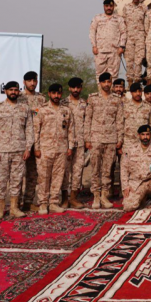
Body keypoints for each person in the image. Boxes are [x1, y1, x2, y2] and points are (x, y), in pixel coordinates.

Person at [0, 81, 35, 219]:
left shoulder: (25, 108)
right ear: (5, 91)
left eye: (15, 90)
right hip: (1, 151)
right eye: (10, 90)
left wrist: (28, 148)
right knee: (1, 181)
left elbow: (29, 129)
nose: (13, 92)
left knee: (17, 180)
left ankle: (14, 208)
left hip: (19, 151)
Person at [34, 83, 77, 214]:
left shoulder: (66, 110)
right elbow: (36, 130)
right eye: (54, 93)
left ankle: (53, 202)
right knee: (44, 177)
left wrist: (70, 146)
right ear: (49, 94)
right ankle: (43, 203)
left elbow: (71, 130)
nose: (56, 96)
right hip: (45, 149)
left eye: (58, 93)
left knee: (58, 177)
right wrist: (36, 147)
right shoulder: (41, 110)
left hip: (61, 149)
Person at [85, 73, 124, 209]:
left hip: (111, 139)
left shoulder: (117, 99)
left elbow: (119, 120)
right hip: (96, 138)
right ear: (100, 83)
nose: (107, 84)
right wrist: (87, 138)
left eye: (109, 82)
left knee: (108, 169)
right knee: (95, 168)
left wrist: (120, 139)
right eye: (104, 82)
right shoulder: (93, 98)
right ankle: (96, 195)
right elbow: (88, 119)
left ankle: (104, 196)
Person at [121, 125, 151, 213]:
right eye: (143, 134)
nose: (145, 137)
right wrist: (125, 186)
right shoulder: (130, 150)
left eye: (147, 134)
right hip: (136, 183)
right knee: (128, 207)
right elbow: (124, 169)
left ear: (150, 135)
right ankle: (142, 197)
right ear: (139, 135)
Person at [20, 71, 47, 213]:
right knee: (17, 174)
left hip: (36, 141)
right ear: (24, 82)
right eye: (29, 80)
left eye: (34, 80)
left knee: (33, 174)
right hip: (20, 141)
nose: (32, 83)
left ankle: (28, 201)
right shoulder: (18, 98)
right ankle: (15, 203)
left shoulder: (41, 99)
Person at [62, 77, 88, 208]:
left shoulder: (84, 104)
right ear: (69, 88)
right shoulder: (63, 103)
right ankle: (63, 198)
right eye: (73, 87)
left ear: (81, 88)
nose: (76, 90)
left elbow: (87, 122)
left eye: (78, 87)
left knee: (77, 171)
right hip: (65, 143)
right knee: (65, 171)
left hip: (80, 142)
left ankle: (73, 197)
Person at [90, 0, 126, 79]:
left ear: (113, 7)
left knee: (113, 76)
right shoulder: (97, 18)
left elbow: (123, 33)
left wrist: (122, 46)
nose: (109, 8)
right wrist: (94, 46)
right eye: (107, 6)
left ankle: (112, 92)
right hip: (100, 51)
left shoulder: (119, 19)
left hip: (114, 52)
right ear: (104, 6)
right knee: (100, 75)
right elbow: (92, 32)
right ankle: (101, 92)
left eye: (111, 6)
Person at [120, 0, 148, 82]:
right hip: (129, 38)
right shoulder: (126, 7)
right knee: (129, 61)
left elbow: (146, 23)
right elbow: (123, 23)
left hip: (140, 38)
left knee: (139, 61)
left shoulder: (144, 8)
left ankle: (137, 82)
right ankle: (130, 83)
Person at [122, 83, 150, 153]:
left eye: (139, 91)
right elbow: (120, 124)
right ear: (131, 93)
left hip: (143, 143)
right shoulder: (125, 106)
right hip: (128, 143)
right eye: (135, 92)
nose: (138, 94)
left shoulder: (148, 106)